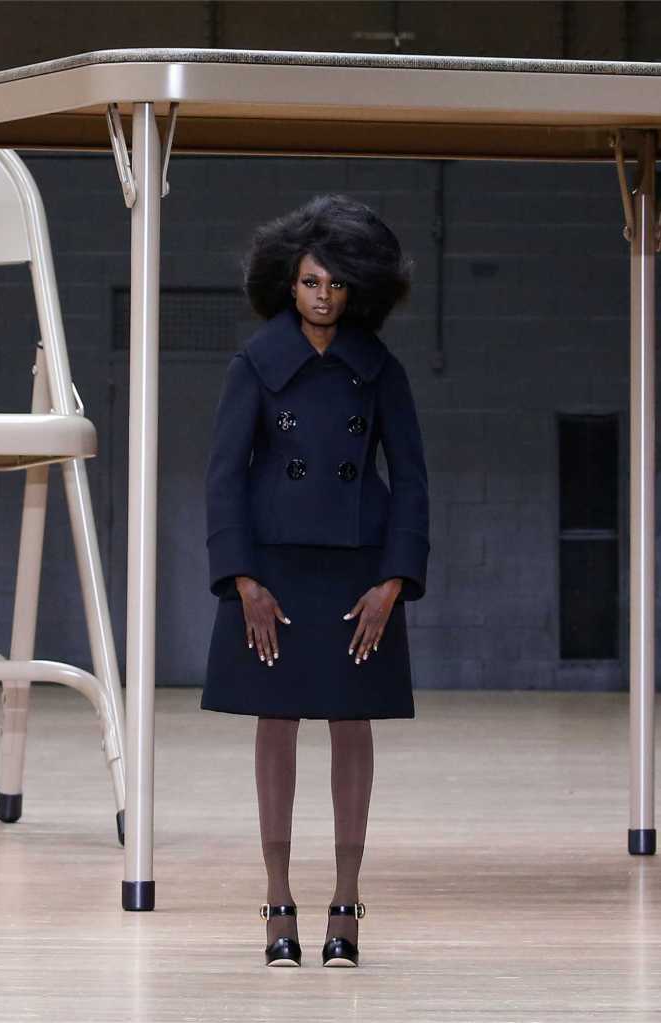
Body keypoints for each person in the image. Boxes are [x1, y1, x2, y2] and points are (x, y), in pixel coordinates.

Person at [200, 193, 430, 967]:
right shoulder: (256, 364)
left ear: (359, 286)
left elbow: (414, 480)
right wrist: (243, 579)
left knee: (351, 723)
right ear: (286, 283)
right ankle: (276, 900)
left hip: (360, 570)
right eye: (309, 282)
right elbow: (224, 476)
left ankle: (346, 900)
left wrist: (393, 579)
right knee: (276, 722)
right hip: (273, 570)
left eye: (335, 283)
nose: (323, 296)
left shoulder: (379, 368)